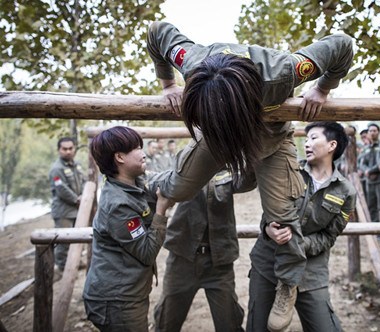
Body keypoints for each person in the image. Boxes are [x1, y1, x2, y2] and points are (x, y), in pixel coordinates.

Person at [147, 20, 354, 330]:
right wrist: (168, 85)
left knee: (283, 213)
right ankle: (148, 179)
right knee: (177, 187)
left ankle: (287, 282)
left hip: (270, 139)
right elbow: (157, 31)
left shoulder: (287, 71)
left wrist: (323, 87)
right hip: (217, 134)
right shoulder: (190, 61)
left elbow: (342, 44)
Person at [247, 121, 356, 332]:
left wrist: (299, 244)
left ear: (332, 145)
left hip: (311, 271)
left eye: (314, 138)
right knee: (258, 326)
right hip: (269, 262)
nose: (307, 143)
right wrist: (269, 229)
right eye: (306, 139)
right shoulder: (289, 170)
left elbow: (329, 236)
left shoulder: (346, 191)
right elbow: (269, 212)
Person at [83, 126, 173, 332]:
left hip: (127, 294)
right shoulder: (117, 205)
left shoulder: (133, 184)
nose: (142, 152)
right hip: (116, 301)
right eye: (136, 148)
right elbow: (147, 252)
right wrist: (161, 210)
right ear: (120, 157)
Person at [154, 169, 256, 332]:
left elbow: (247, 180)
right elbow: (165, 185)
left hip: (219, 261)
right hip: (182, 258)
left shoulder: (228, 171)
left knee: (229, 324)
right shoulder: (186, 164)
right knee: (166, 322)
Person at [48, 137, 86, 272]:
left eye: (71, 148)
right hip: (64, 211)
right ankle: (63, 267)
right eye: (64, 149)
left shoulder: (77, 165)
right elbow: (61, 189)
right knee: (63, 240)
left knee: (77, 238)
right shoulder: (56, 169)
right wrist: (77, 199)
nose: (68, 151)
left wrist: (84, 195)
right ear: (59, 150)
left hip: (77, 210)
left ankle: (75, 261)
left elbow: (85, 181)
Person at [358, 123, 380, 224]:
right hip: (369, 180)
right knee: (371, 205)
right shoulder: (366, 149)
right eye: (370, 131)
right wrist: (366, 171)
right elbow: (361, 163)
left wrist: (371, 170)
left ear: (378, 132)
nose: (372, 133)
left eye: (374, 131)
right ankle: (375, 227)